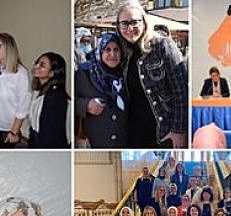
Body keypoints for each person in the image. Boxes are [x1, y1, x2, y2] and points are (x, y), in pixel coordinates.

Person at [116, 0, 187, 148]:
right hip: (134, 131)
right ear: (118, 26)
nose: (130, 28)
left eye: (135, 22)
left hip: (164, 131)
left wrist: (178, 130)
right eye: (124, 23)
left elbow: (181, 91)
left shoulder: (163, 45)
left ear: (144, 22)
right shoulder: (122, 52)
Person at [75, 32, 127, 148]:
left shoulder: (126, 72)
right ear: (100, 51)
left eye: (116, 50)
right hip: (95, 141)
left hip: (122, 142)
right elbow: (71, 101)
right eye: (107, 50)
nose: (112, 54)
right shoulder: (85, 72)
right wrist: (86, 105)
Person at [0, 33, 31, 148]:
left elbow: (22, 107)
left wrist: (14, 132)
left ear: (9, 48)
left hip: (7, 130)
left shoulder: (21, 74)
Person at [28, 52, 69, 148]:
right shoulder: (38, 91)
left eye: (42, 65)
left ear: (52, 73)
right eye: (36, 63)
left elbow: (50, 134)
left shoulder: (56, 97)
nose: (36, 66)